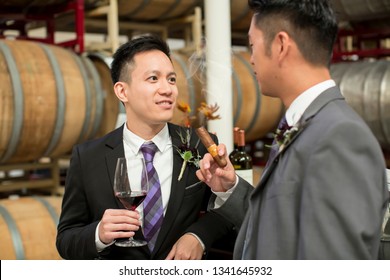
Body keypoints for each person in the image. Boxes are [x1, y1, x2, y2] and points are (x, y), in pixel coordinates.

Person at [196, 0, 389, 259]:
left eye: (252, 46)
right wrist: (231, 187)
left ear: (281, 45)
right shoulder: (303, 122)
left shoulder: (340, 136)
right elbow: (279, 226)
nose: (250, 59)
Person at [56, 34, 245, 260]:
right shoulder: (88, 157)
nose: (168, 89)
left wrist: (199, 235)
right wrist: (99, 234)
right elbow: (66, 240)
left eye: (172, 79)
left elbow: (227, 214)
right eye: (153, 78)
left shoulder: (199, 144)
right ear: (122, 91)